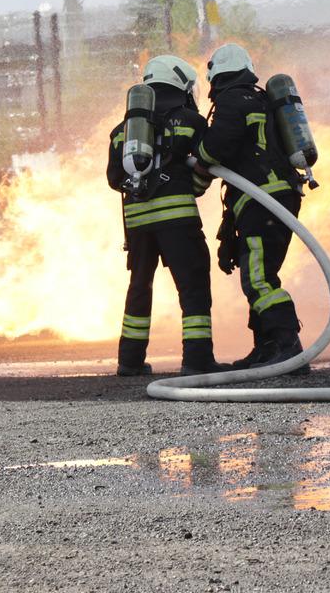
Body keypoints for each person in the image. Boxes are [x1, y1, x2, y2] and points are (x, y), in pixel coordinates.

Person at [107, 55, 225, 377]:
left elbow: (114, 178)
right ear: (180, 83)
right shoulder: (190, 120)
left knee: (140, 287)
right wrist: (193, 185)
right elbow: (207, 162)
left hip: (138, 223)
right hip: (177, 220)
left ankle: (129, 361)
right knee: (193, 286)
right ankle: (197, 360)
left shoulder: (123, 131)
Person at [193, 43, 308, 371]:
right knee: (260, 270)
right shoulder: (261, 97)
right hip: (275, 196)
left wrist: (198, 155)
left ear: (216, 75)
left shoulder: (232, 99)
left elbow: (217, 148)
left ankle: (289, 344)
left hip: (262, 199)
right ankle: (266, 347)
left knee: (257, 277)